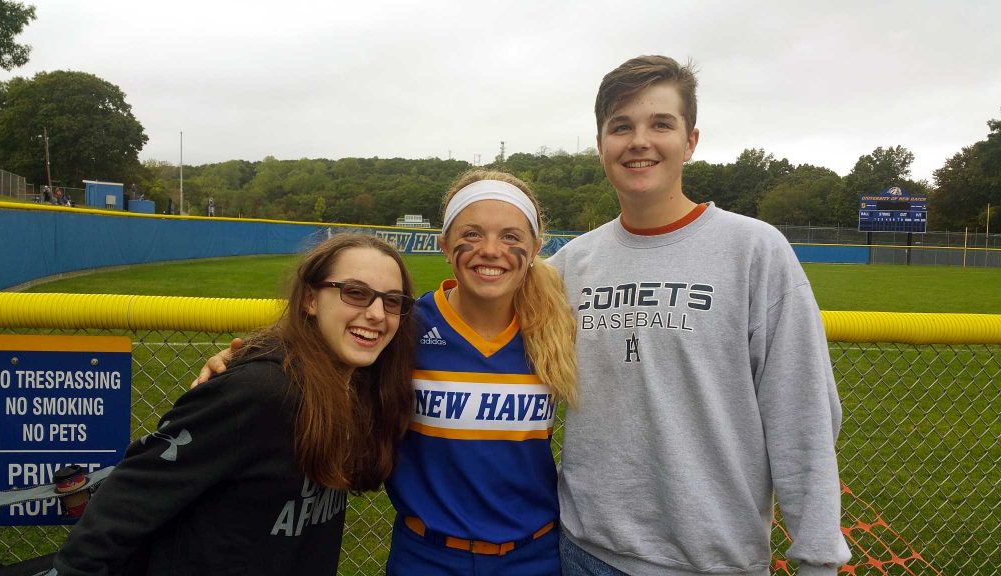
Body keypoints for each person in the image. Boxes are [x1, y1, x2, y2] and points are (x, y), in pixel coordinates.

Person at [549, 55, 851, 575]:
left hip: (714, 563)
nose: (639, 141)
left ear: (690, 141)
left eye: (660, 124)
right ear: (601, 145)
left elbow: (802, 415)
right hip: (583, 554)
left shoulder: (754, 250)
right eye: (621, 126)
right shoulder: (568, 267)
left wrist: (818, 559)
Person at [197, 170, 578, 576]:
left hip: (532, 556)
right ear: (444, 245)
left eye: (510, 237)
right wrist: (253, 355)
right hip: (427, 556)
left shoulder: (559, 328)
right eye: (471, 234)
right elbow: (322, 345)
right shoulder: (405, 326)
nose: (489, 250)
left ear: (536, 247)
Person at [52, 233, 417, 575]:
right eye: (355, 292)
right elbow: (122, 507)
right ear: (309, 299)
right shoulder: (259, 391)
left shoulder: (355, 388)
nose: (377, 313)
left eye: (393, 301)